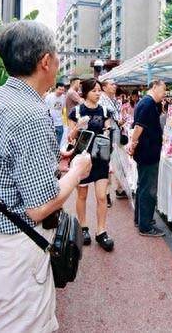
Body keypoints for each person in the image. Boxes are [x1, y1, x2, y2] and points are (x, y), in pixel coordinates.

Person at [0, 21, 92, 333]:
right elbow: (40, 206)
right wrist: (76, 172)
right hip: (18, 250)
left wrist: (53, 162)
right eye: (57, 57)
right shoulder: (30, 113)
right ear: (45, 61)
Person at [67, 79, 115, 251]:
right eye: (94, 90)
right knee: (82, 195)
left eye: (99, 90)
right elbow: (70, 138)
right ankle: (83, 228)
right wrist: (78, 127)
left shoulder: (104, 111)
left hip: (101, 157)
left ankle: (101, 231)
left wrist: (108, 133)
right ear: (86, 91)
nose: (98, 93)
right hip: (82, 157)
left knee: (102, 196)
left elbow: (108, 130)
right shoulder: (76, 111)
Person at [128, 80, 167, 237]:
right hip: (148, 152)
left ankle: (141, 219)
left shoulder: (146, 103)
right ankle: (146, 226)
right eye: (163, 90)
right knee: (148, 189)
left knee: (142, 186)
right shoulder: (148, 103)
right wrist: (133, 143)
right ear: (155, 87)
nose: (164, 94)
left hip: (146, 151)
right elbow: (138, 127)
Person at [99, 79, 127, 202]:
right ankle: (106, 194)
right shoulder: (101, 100)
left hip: (116, 133)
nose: (114, 86)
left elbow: (115, 117)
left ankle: (120, 189)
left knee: (118, 162)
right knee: (107, 164)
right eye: (111, 84)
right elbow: (103, 119)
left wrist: (119, 122)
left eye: (115, 84)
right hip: (106, 134)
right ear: (104, 87)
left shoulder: (114, 100)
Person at [45, 81, 66, 147]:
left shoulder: (63, 97)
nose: (61, 91)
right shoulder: (49, 97)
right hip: (50, 123)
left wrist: (64, 122)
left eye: (63, 90)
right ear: (56, 89)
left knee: (58, 144)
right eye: (60, 89)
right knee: (50, 144)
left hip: (60, 124)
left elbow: (63, 109)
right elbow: (45, 109)